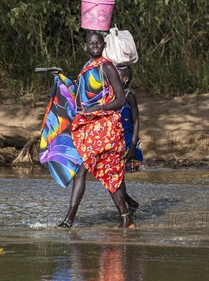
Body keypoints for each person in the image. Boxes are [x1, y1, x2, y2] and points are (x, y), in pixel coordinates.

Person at [55, 30, 134, 228]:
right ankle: (124, 217)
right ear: (86, 47)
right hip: (90, 129)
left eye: (98, 43)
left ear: (103, 45)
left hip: (105, 128)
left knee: (101, 171)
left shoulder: (107, 67)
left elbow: (121, 99)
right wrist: (61, 79)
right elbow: (80, 97)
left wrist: (99, 108)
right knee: (95, 171)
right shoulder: (87, 68)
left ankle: (70, 220)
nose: (95, 46)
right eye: (91, 44)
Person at [116, 65, 144, 212]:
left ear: (125, 80)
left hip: (126, 142)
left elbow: (136, 120)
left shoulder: (129, 96)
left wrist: (133, 145)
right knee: (113, 177)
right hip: (113, 141)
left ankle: (127, 208)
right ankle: (130, 204)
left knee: (117, 178)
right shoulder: (111, 95)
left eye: (117, 76)